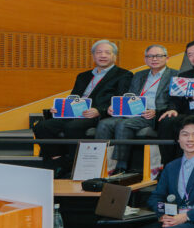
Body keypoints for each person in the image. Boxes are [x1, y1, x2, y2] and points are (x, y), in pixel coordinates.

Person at [33, 39, 132, 172]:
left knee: (72, 127)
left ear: (114, 56)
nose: (103, 55)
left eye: (107, 53)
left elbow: (119, 100)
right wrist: (60, 109)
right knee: (42, 126)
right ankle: (58, 161)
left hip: (96, 115)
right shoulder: (83, 76)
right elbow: (74, 97)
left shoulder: (124, 75)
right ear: (93, 56)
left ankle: (75, 164)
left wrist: (99, 111)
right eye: (99, 52)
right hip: (75, 113)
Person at [96, 44, 174, 174]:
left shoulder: (174, 75)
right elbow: (129, 96)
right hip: (132, 112)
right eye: (150, 56)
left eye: (158, 56)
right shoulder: (139, 75)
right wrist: (115, 107)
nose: (154, 59)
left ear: (167, 58)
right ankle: (99, 163)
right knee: (104, 124)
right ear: (145, 60)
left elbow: (175, 102)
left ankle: (120, 166)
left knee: (124, 124)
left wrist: (157, 111)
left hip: (152, 115)